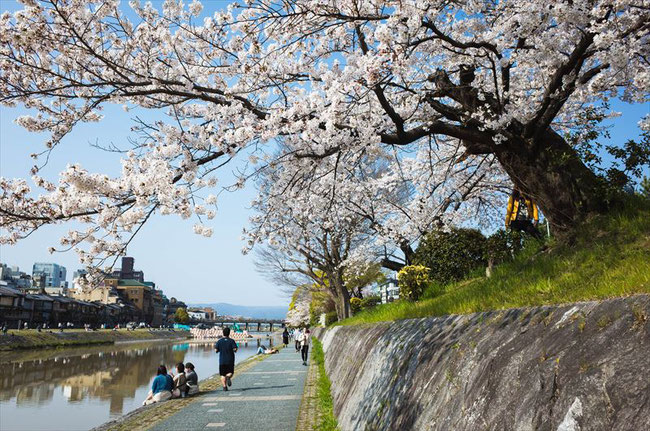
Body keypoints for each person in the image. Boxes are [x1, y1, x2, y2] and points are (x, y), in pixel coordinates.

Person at [215, 327, 238, 391]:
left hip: (222, 360)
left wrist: (219, 349)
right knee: (230, 372)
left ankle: (224, 387)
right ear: (229, 333)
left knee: (222, 374)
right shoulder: (232, 341)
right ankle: (228, 377)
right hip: (230, 360)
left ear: (223, 333)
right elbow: (235, 349)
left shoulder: (219, 341)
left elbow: (216, 350)